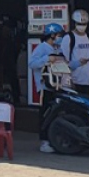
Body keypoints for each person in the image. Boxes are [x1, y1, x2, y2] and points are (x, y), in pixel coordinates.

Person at [28, 23, 67, 154]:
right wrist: (47, 59)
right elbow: (32, 63)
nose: (60, 38)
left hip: (57, 86)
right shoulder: (42, 48)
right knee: (45, 114)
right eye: (59, 35)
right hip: (45, 87)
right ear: (52, 35)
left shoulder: (57, 48)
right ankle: (44, 141)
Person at [61, 9, 89, 96]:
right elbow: (63, 62)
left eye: (84, 24)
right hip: (74, 82)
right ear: (74, 24)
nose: (82, 26)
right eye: (79, 24)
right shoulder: (68, 38)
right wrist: (69, 82)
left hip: (88, 83)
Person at [0, 17, 22, 104]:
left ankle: (16, 100)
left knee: (12, 83)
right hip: (2, 65)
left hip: (9, 65)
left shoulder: (12, 42)